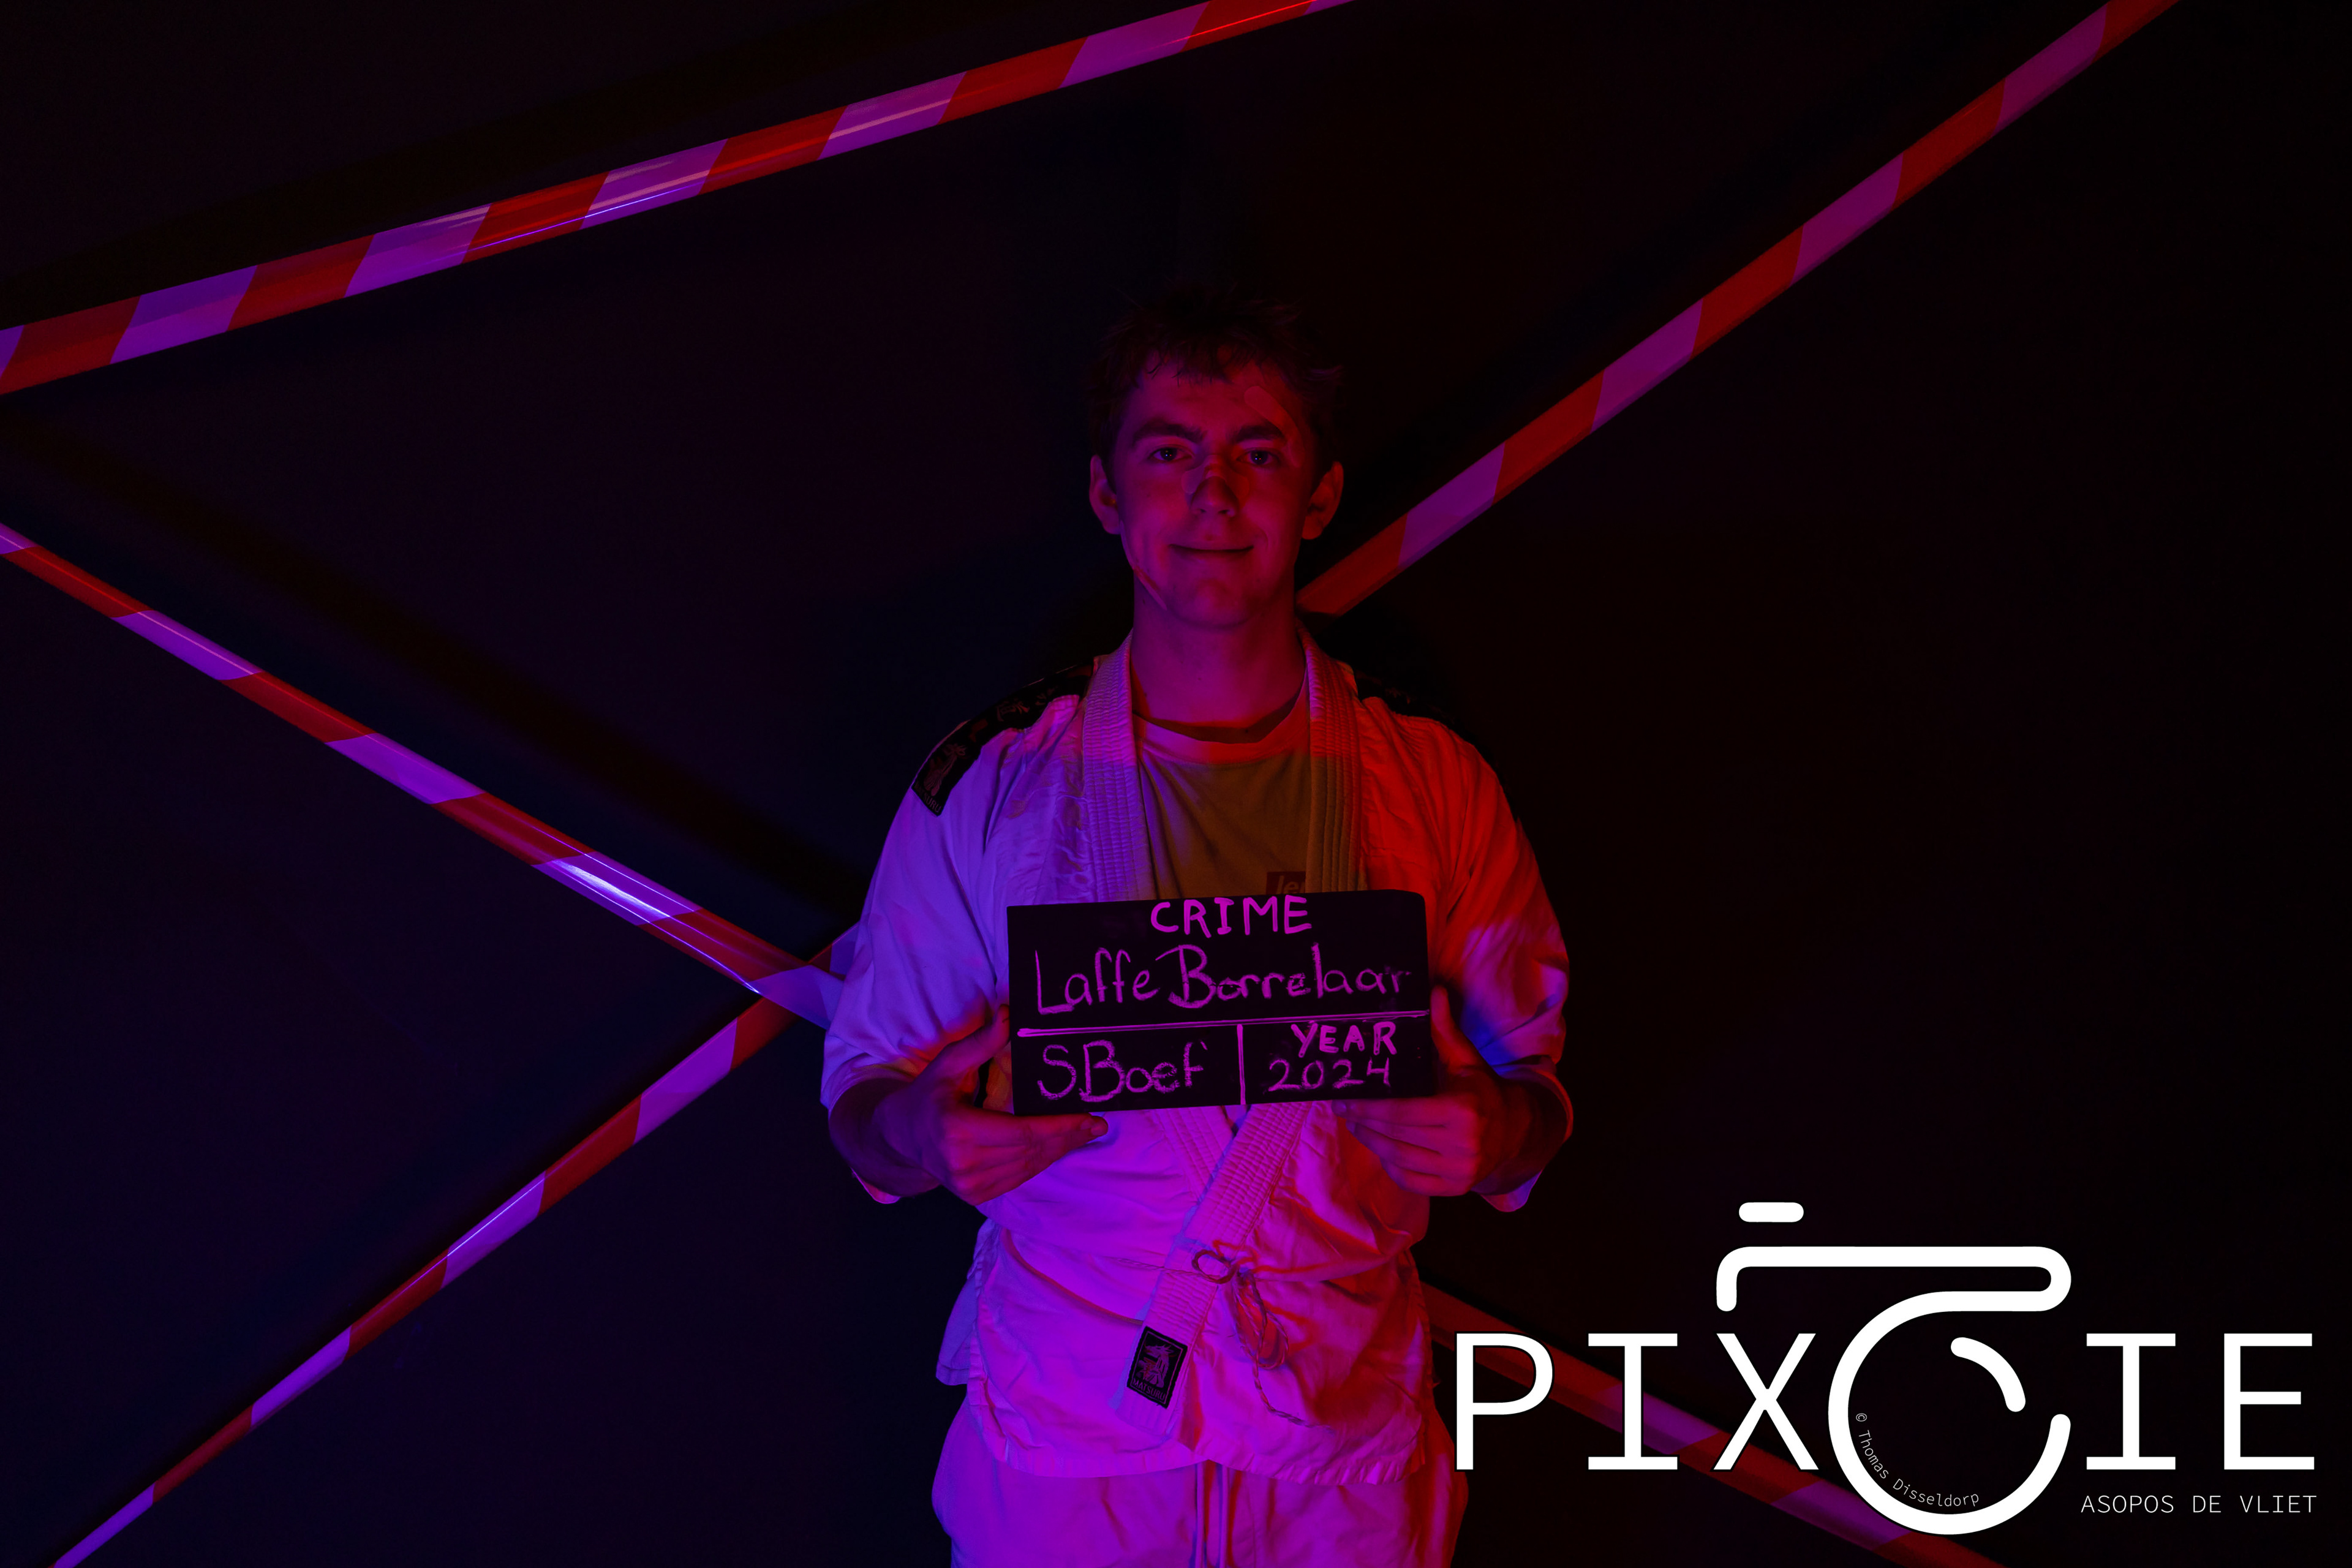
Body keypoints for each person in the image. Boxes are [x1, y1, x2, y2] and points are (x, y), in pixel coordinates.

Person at [823, 285, 1570, 1567]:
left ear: (1319, 498)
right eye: (1170, 452)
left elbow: (1535, 1105)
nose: (1213, 495)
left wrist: (1492, 1128)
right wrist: (927, 1133)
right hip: (1071, 1431)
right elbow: (863, 1111)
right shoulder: (996, 786)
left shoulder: (1433, 783)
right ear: (1108, 494)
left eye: (1257, 454)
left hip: (1334, 1433)